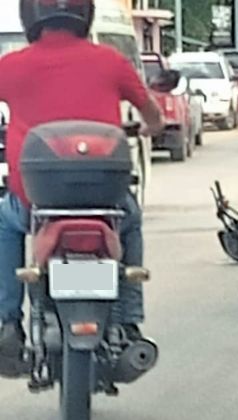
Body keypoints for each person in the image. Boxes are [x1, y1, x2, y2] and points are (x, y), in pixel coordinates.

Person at [0, 0, 164, 377]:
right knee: (131, 221)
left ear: (31, 17)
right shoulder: (110, 61)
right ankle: (129, 320)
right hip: (102, 202)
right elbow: (153, 119)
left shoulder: (11, 66)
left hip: (36, 202)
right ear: (84, 16)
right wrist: (143, 130)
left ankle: (9, 322)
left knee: (6, 223)